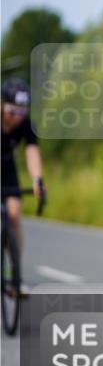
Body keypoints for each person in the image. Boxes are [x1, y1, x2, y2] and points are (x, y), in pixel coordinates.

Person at [1, 78, 45, 262]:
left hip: (7, 168)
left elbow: (32, 151)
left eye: (22, 112)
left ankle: (15, 269)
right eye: (12, 112)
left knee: (14, 214)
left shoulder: (26, 125)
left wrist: (37, 179)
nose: (17, 118)